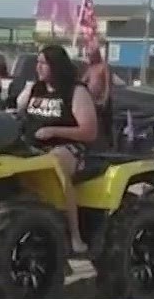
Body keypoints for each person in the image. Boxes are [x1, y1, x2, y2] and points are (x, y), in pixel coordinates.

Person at [17, 44, 99, 250]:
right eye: (37, 63)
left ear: (56, 65)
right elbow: (17, 111)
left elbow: (89, 132)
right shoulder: (36, 89)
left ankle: (74, 236)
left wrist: (54, 131)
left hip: (69, 147)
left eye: (43, 63)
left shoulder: (75, 91)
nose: (38, 67)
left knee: (55, 163)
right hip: (33, 145)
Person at [81, 42, 113, 145]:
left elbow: (108, 84)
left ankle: (109, 142)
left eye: (90, 55)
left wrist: (105, 98)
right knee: (93, 121)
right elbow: (83, 81)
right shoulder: (90, 68)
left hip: (101, 99)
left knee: (105, 122)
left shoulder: (103, 67)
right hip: (91, 99)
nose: (88, 57)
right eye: (87, 55)